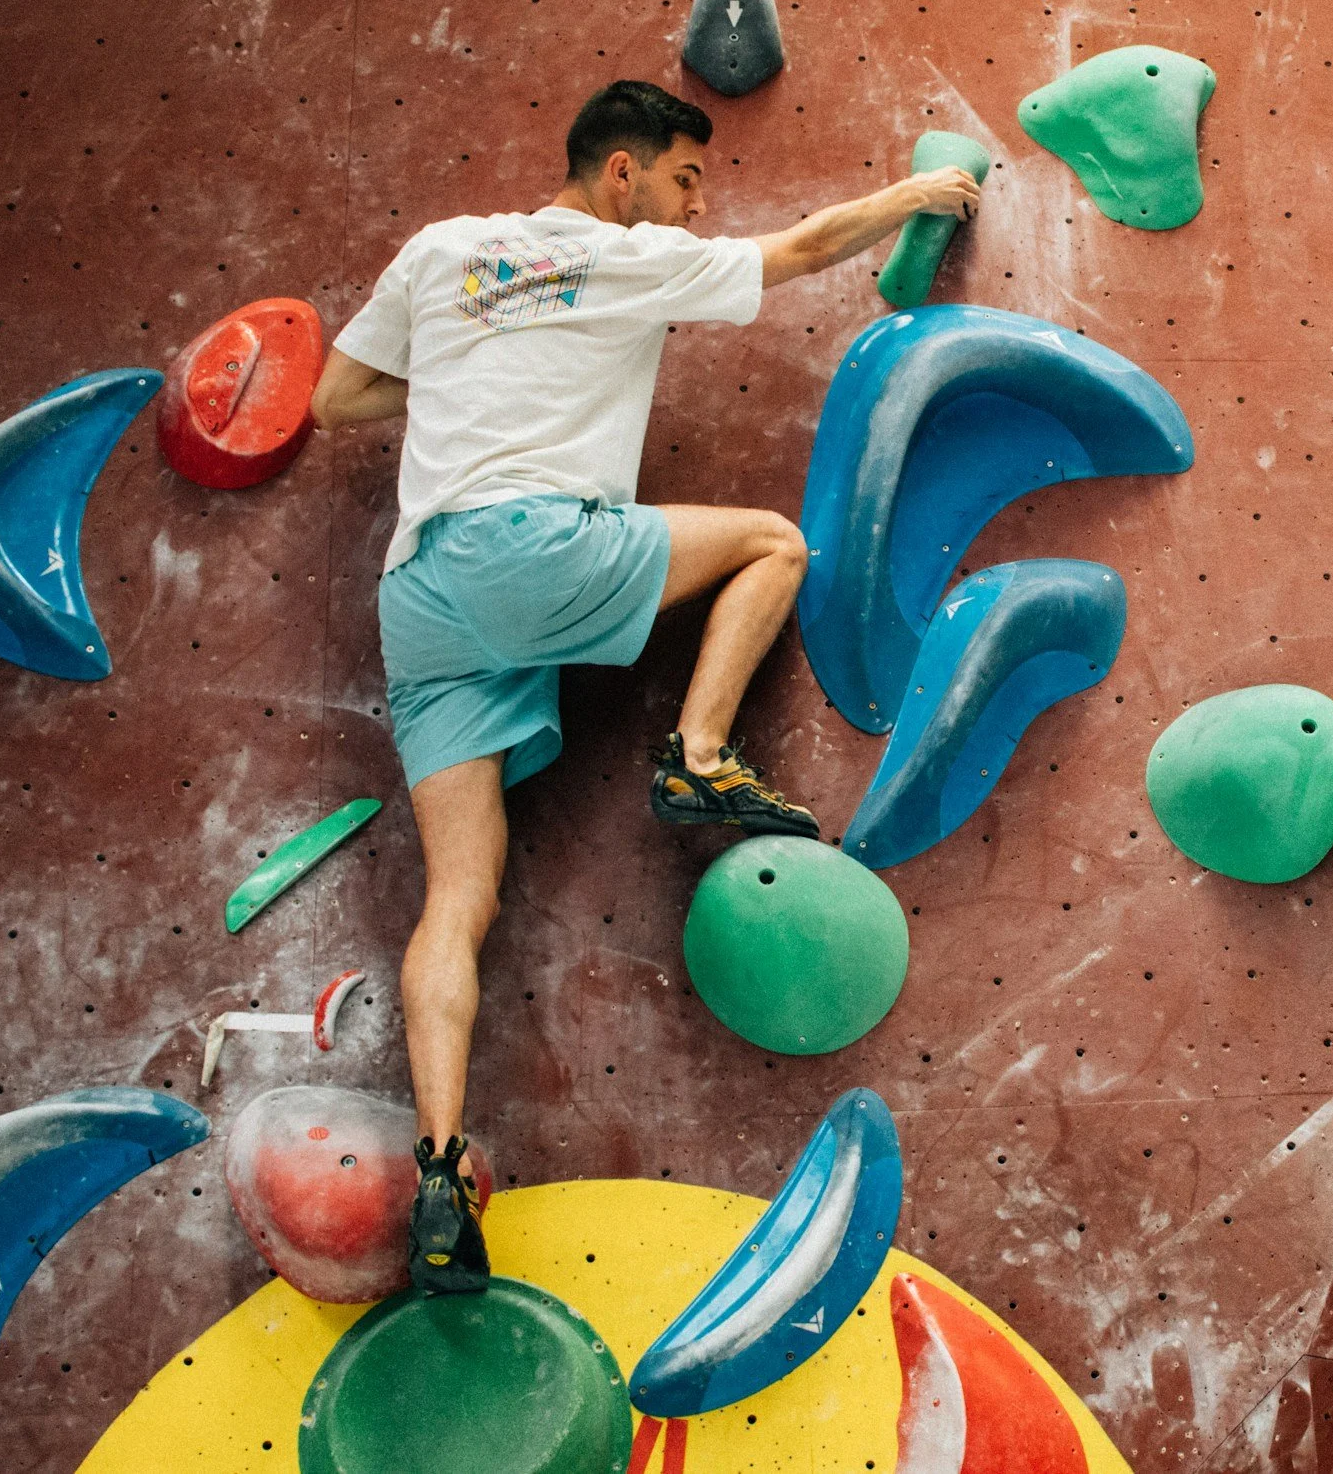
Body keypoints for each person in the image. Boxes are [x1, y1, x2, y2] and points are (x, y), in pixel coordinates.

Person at [309, 80, 982, 1295]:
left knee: (457, 896)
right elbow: (806, 248)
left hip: (422, 594)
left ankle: (442, 1168)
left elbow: (337, 398)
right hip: (537, 548)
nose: (694, 204)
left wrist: (473, 369)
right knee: (774, 544)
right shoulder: (627, 259)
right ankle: (701, 750)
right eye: (684, 180)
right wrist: (918, 194)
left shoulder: (444, 250)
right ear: (620, 177)